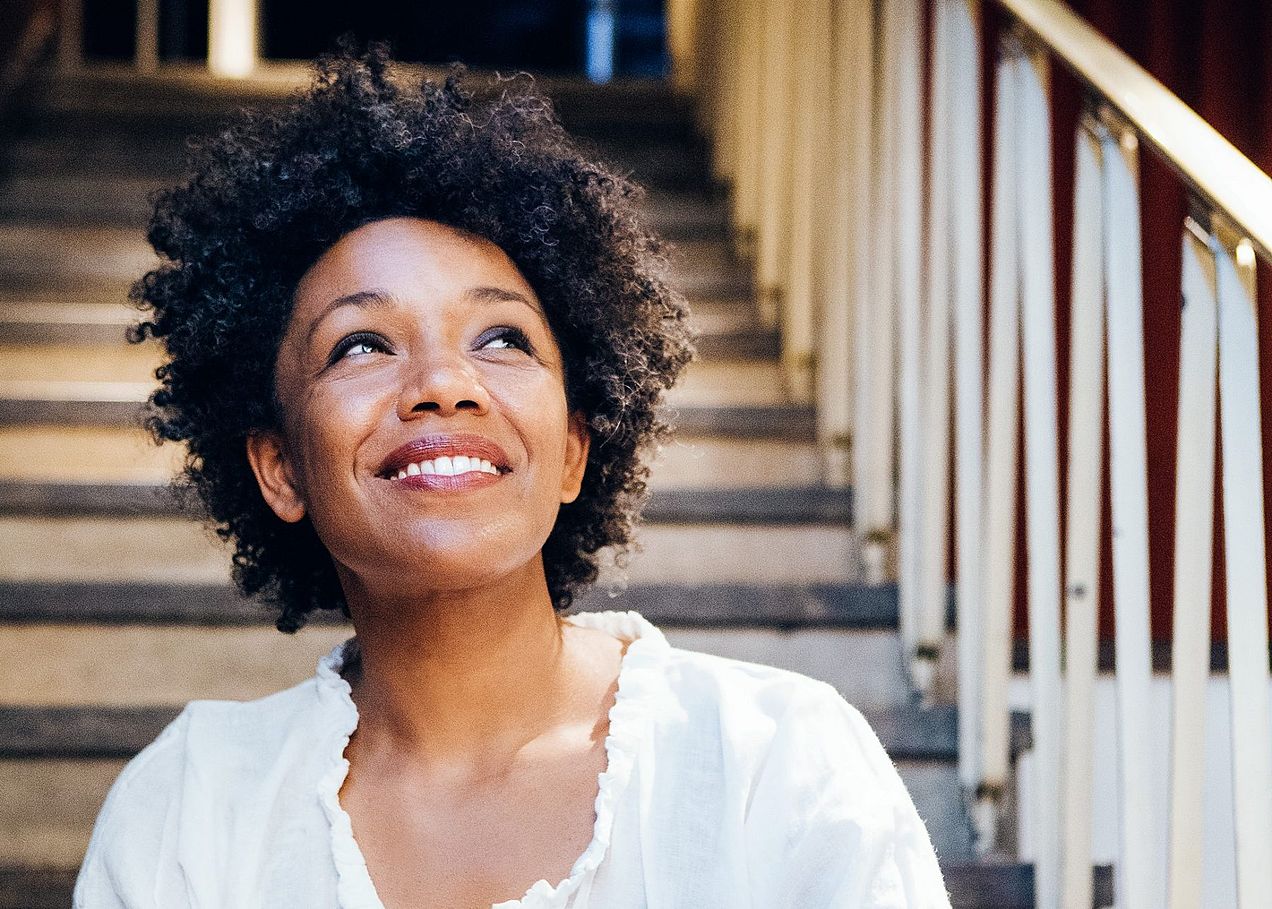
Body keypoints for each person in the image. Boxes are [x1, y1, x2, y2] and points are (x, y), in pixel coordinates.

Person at [73, 46, 951, 908]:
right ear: (280, 468)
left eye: (502, 338)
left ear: (571, 448)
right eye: (362, 345)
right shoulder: (185, 813)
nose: (444, 383)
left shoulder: (778, 767)